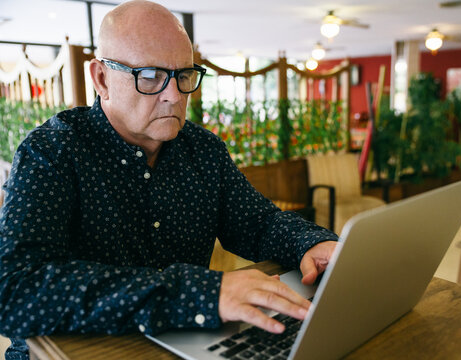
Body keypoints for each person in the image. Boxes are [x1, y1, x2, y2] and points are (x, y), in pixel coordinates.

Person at [0, 1, 338, 358]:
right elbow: (15, 290)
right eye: (149, 76)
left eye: (184, 75)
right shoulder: (53, 151)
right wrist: (198, 293)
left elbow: (257, 223)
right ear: (101, 78)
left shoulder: (203, 150)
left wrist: (310, 244)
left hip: (184, 346)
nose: (175, 96)